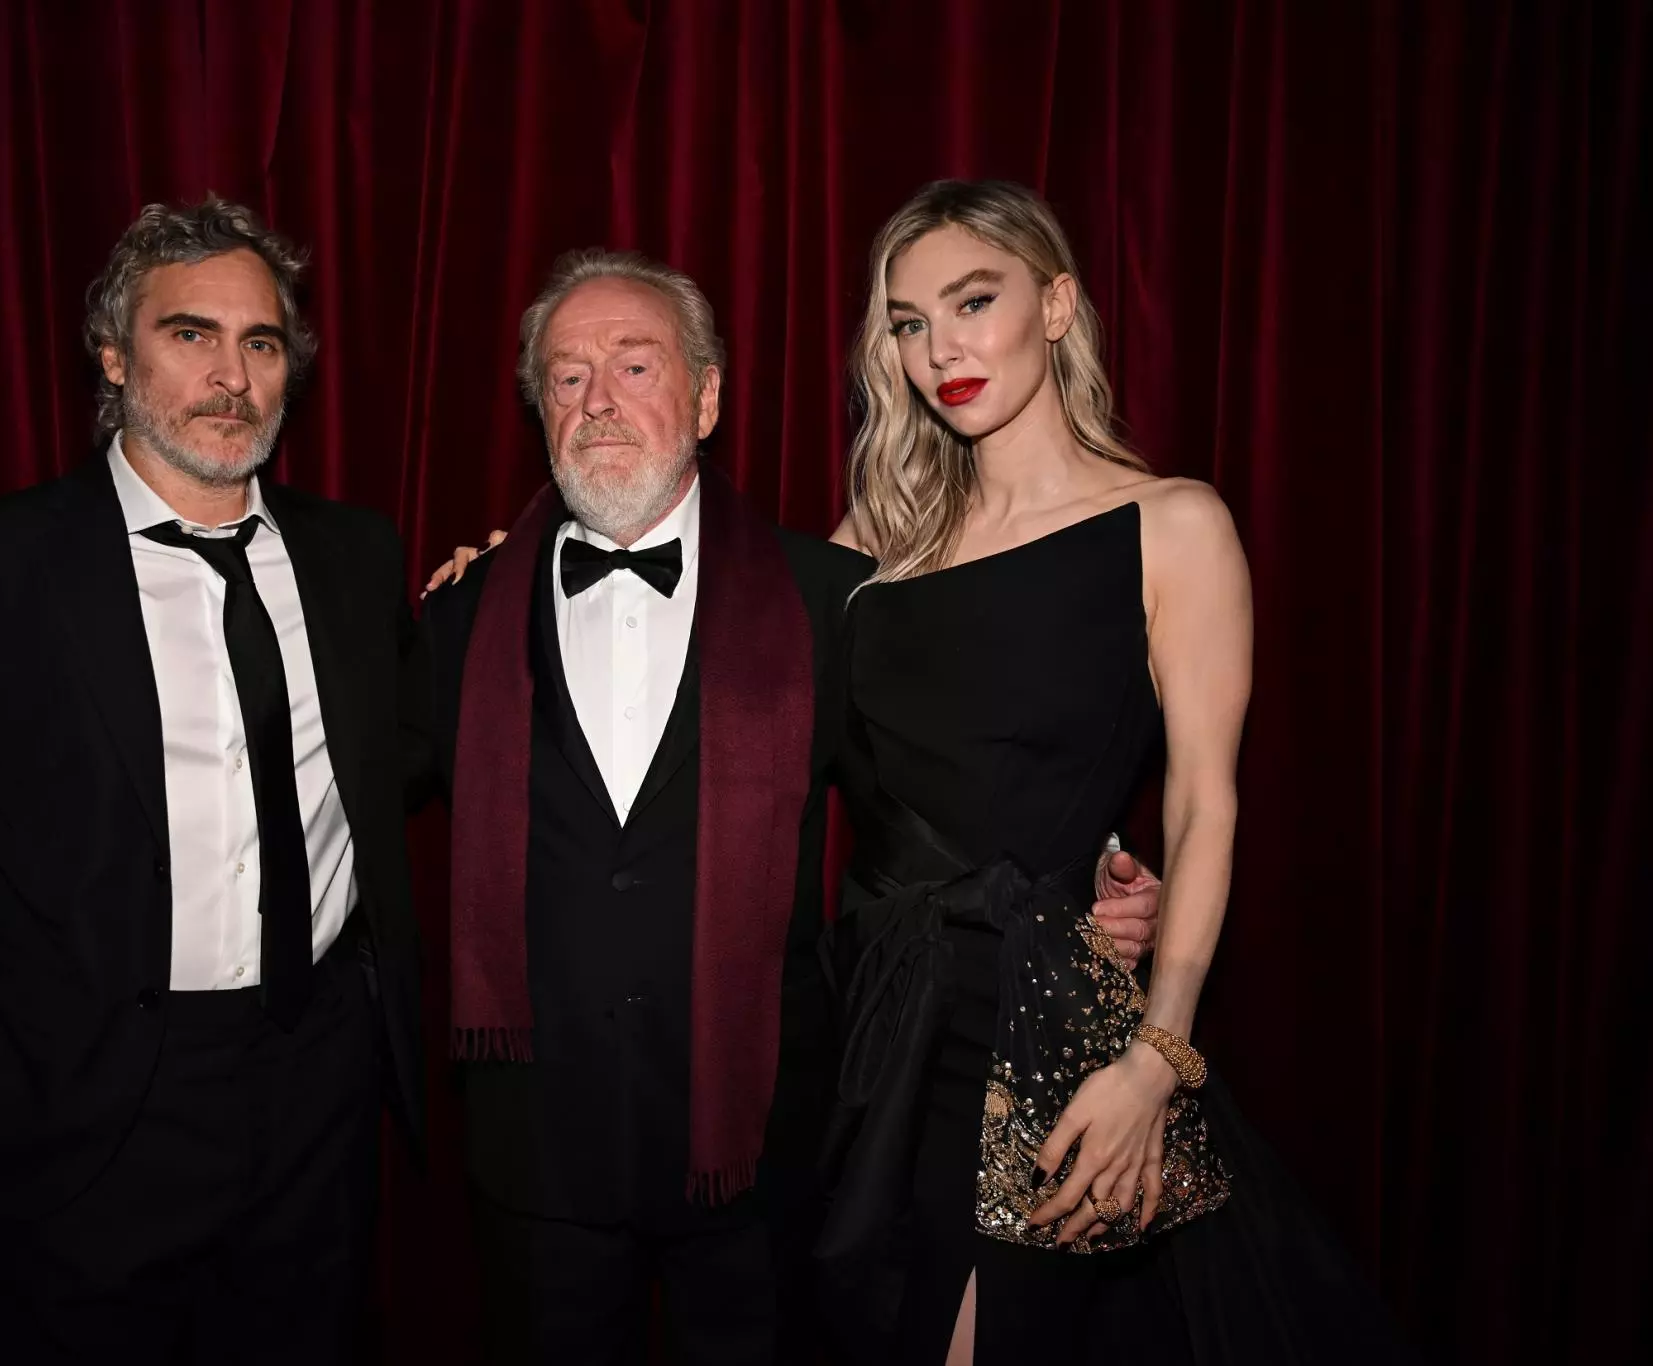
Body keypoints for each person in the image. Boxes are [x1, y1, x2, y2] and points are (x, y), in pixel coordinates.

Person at [418, 250, 1164, 1364]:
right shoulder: (461, 616)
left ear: (706, 398)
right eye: (567, 377)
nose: (598, 401)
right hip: (537, 1157)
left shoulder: (828, 596)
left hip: (760, 1143)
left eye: (634, 365)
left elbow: (950, 790)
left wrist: (1089, 876)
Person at [817, 179, 1411, 1364]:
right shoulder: (868, 546)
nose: (941, 351)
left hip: (1035, 1022)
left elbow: (1201, 806)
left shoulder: (1171, 524)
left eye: (972, 302)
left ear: (1054, 305)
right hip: (867, 1023)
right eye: (909, 323)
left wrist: (1157, 1059)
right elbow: (731, 701)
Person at [0, 197, 424, 1364]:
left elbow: (405, 745)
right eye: (189, 334)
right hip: (79, 1105)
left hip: (315, 1097)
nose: (231, 377)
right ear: (113, 354)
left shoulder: (354, 556)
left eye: (260, 343)